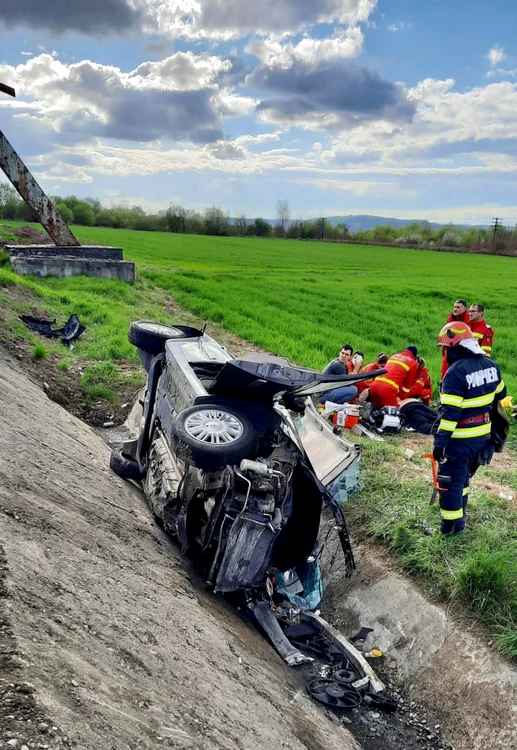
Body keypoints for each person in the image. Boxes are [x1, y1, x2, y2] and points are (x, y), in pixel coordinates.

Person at [433, 322, 506, 535]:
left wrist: (440, 443)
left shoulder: (455, 373)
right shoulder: (492, 365)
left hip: (460, 438)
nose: (445, 353)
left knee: (450, 483)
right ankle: (460, 516)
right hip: (482, 435)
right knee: (463, 478)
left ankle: (450, 531)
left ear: (456, 347)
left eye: (446, 348)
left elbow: (450, 414)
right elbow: (501, 396)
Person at [441, 299, 470, 378]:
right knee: (445, 371)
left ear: (464, 309)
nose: (455, 309)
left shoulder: (469, 320)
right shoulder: (450, 318)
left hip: (463, 351)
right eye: (454, 307)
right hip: (450, 349)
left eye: (458, 307)